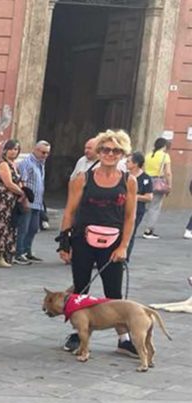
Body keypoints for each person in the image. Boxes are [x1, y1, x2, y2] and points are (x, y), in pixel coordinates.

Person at [57, 129, 138, 356]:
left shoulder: (129, 181)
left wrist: (123, 246)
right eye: (105, 149)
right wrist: (64, 244)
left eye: (116, 151)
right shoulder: (82, 178)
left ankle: (123, 339)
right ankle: (78, 333)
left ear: (122, 153)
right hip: (82, 240)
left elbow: (129, 217)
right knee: (81, 288)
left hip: (113, 244)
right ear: (99, 151)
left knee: (114, 292)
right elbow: (69, 211)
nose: (110, 154)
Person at [0, 139, 26, 268]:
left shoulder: (14, 165)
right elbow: (8, 183)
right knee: (1, 227)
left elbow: (18, 181)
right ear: (5, 150)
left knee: (10, 228)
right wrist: (22, 192)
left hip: (12, 201)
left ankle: (7, 254)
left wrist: (23, 192)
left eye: (16, 149)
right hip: (3, 201)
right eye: (11, 149)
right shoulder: (3, 164)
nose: (14, 152)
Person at [14, 140, 50, 264]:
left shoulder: (41, 163)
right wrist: (24, 200)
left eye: (47, 153)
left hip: (37, 202)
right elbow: (22, 183)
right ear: (35, 149)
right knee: (23, 229)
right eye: (43, 152)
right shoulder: (27, 163)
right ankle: (18, 253)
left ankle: (27, 251)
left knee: (33, 228)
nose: (45, 155)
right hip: (28, 201)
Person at [138, 138, 171, 239]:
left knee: (144, 206)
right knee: (154, 207)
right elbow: (168, 173)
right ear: (164, 146)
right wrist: (169, 185)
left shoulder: (148, 155)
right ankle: (148, 231)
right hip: (158, 182)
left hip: (146, 180)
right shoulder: (165, 156)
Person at [125, 151, 152, 261]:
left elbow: (149, 197)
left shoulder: (146, 178)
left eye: (128, 161)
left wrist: (133, 196)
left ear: (135, 164)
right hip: (121, 209)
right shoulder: (124, 176)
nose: (125, 163)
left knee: (130, 233)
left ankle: (125, 258)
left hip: (137, 210)